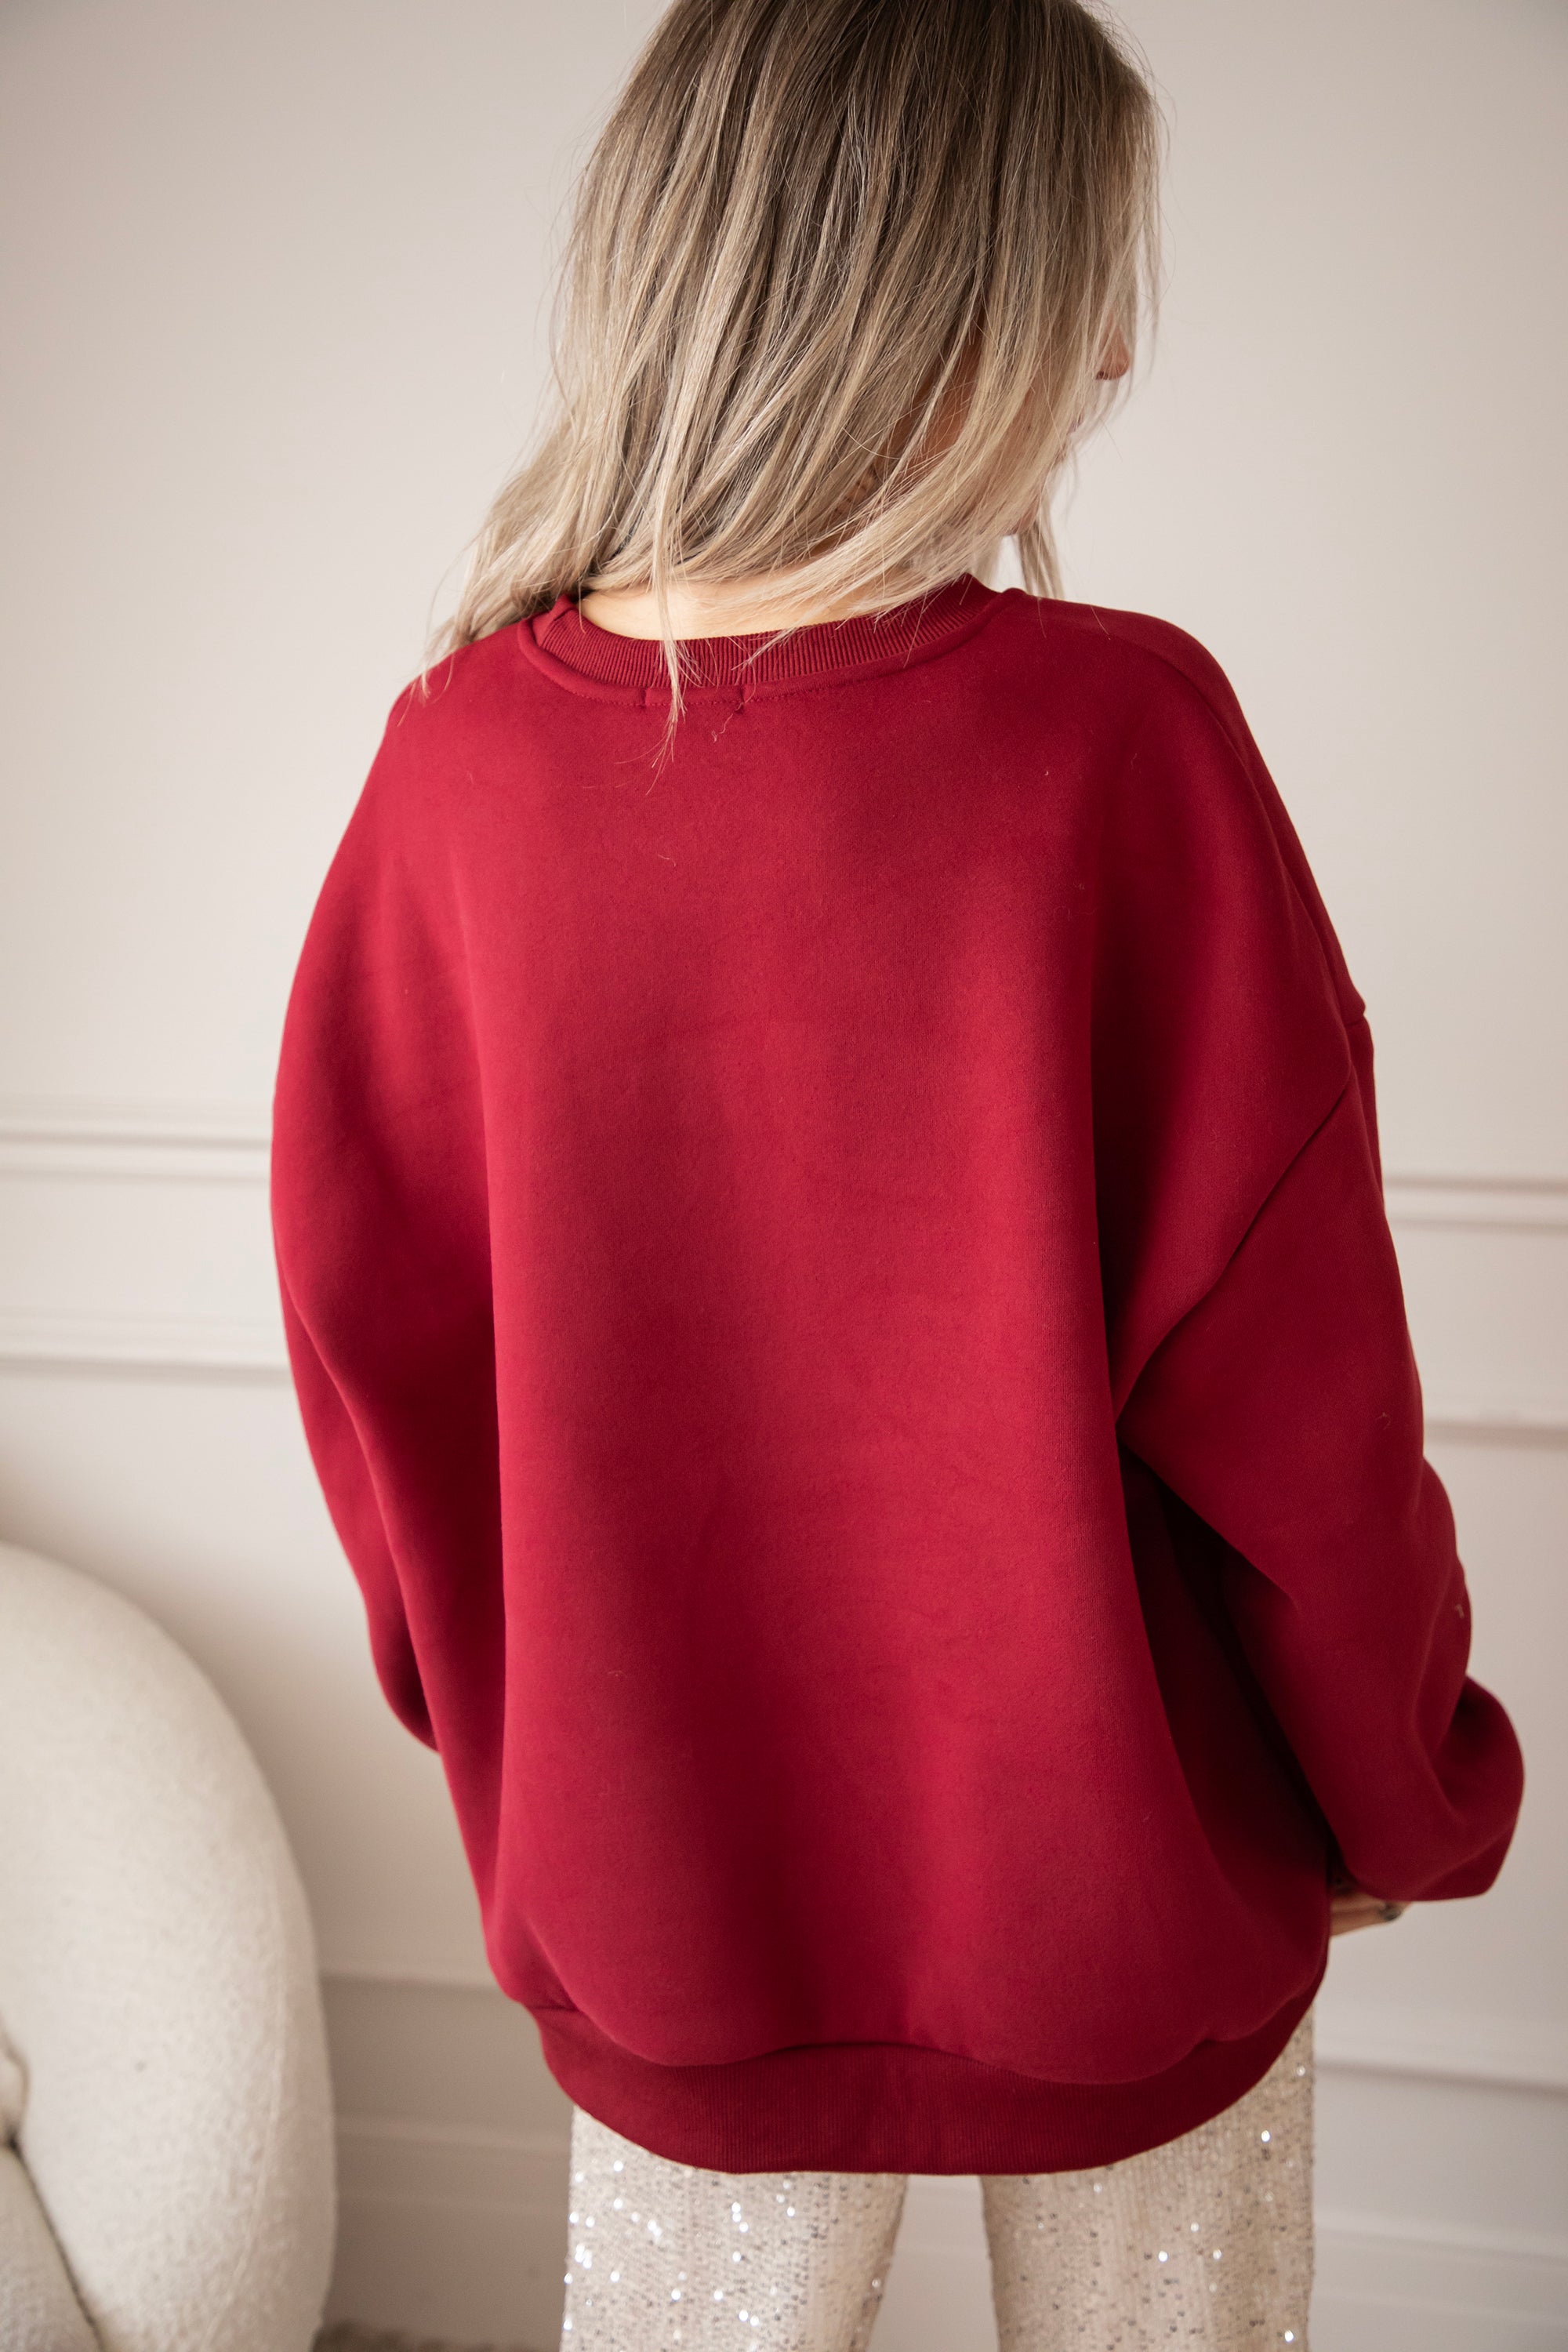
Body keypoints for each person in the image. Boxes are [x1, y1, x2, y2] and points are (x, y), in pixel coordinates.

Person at [268, 2, 1526, 2344]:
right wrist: (1402, 1788)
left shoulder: (450, 770)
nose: (1118, 351)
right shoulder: (1123, 740)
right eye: (1082, 285)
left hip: (668, 1908)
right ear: (927, 294)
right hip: (1138, 1901)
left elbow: (385, 1393)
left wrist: (547, 1754)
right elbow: (1304, 1411)